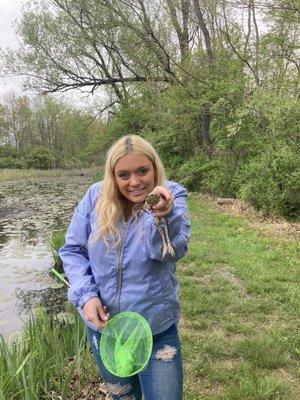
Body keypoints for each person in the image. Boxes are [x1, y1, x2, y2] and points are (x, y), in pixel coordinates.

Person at [59, 135, 191, 400]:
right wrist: (86, 297)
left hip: (155, 329)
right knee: (123, 397)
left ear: (155, 168)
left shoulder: (172, 194)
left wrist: (162, 215)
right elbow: (72, 250)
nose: (134, 182)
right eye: (124, 174)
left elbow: (167, 253)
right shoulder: (95, 197)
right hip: (108, 331)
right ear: (113, 176)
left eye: (143, 171)